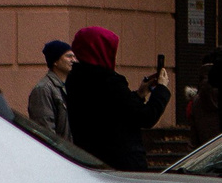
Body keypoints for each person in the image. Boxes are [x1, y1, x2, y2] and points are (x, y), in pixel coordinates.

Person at [66, 26, 170, 170]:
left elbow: (116, 110)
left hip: (91, 160)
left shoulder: (75, 80)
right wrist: (161, 89)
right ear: (101, 50)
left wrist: (139, 94)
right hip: (122, 164)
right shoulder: (108, 82)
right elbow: (145, 117)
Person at [28, 39, 74, 141]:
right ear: (55, 61)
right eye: (68, 56)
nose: (73, 60)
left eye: (74, 56)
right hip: (56, 149)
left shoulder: (67, 87)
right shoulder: (43, 89)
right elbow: (45, 129)